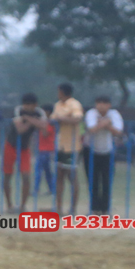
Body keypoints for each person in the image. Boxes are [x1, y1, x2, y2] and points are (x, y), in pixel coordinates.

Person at [2, 93, 47, 212]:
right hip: (11, 145)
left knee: (26, 176)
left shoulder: (39, 112)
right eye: (25, 104)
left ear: (35, 105)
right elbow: (20, 129)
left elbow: (44, 126)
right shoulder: (18, 110)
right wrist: (33, 122)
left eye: (29, 105)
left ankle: (22, 206)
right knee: (7, 175)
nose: (26, 107)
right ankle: (9, 205)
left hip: (24, 148)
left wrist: (28, 119)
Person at [83, 95, 124, 215]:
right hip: (91, 151)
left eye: (104, 103)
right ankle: (94, 209)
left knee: (107, 181)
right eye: (98, 103)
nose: (101, 105)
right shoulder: (91, 113)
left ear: (109, 105)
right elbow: (92, 129)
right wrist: (107, 123)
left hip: (108, 151)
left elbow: (118, 131)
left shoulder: (114, 114)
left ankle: (105, 210)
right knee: (92, 181)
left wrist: (104, 124)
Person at [51, 82, 84, 215]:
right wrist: (63, 118)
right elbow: (53, 118)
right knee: (59, 175)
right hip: (60, 145)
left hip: (72, 146)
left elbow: (77, 119)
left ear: (62, 91)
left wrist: (62, 119)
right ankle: (58, 207)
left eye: (58, 91)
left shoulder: (74, 104)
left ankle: (73, 208)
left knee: (72, 176)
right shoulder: (57, 105)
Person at [32, 104, 56, 202]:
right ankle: (50, 189)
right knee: (45, 171)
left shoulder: (50, 123)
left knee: (41, 170)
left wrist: (40, 124)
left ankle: (37, 189)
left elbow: (45, 133)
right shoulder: (45, 122)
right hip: (42, 149)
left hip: (47, 150)